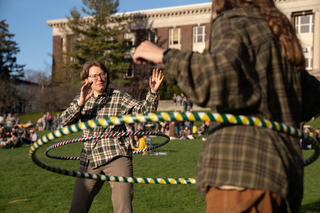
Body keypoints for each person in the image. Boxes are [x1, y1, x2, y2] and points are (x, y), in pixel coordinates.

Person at [132, 0, 320, 212]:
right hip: (284, 177)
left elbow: (214, 78)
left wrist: (164, 55)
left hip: (241, 171)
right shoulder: (278, 34)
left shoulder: (235, 21)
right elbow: (313, 99)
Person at [60, 60, 163, 213]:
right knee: (77, 208)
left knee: (123, 208)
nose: (99, 79)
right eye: (94, 76)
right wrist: (80, 103)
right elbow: (64, 123)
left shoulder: (118, 96)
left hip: (116, 155)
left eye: (102, 74)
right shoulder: (81, 98)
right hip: (89, 158)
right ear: (86, 80)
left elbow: (144, 113)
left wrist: (153, 93)